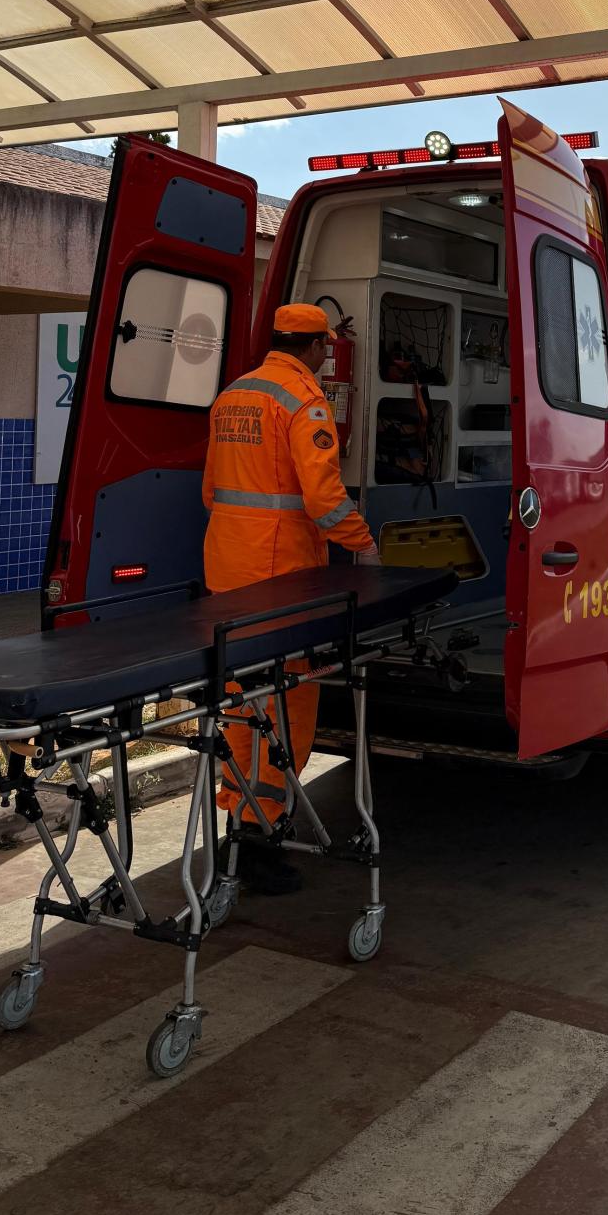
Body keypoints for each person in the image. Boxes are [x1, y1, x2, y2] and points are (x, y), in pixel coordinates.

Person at [202, 303, 378, 892]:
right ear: (316, 347)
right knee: (284, 707)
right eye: (326, 347)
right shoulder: (304, 400)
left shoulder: (234, 394)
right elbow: (324, 499)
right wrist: (367, 546)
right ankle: (259, 837)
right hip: (281, 575)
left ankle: (237, 821)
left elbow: (212, 488)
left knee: (237, 700)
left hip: (227, 565)